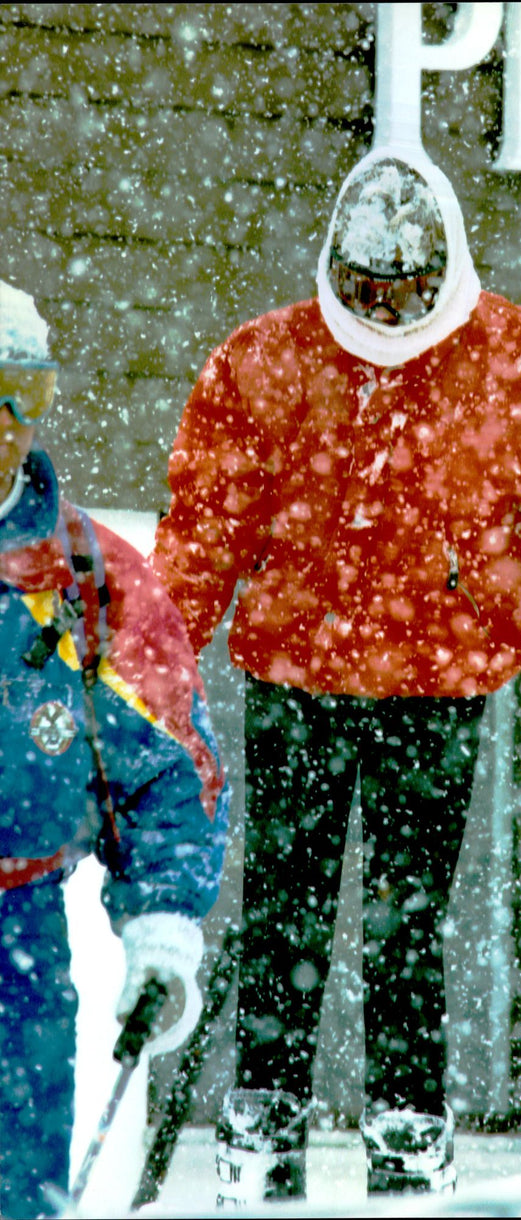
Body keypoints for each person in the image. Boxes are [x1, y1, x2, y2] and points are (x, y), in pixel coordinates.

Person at [150, 147, 521, 1203]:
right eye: (365, 290)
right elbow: (201, 536)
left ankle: (408, 1120)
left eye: (404, 290)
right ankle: (261, 1113)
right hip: (296, 681)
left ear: (443, 265)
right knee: (282, 907)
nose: (384, 309)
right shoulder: (261, 363)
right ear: (334, 265)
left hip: (439, 685)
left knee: (411, 919)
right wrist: (154, 657)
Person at [0, 280, 230, 1220]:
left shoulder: (85, 577)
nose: (8, 425)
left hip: (17, 945)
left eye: (26, 393)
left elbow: (169, 768)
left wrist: (163, 924)